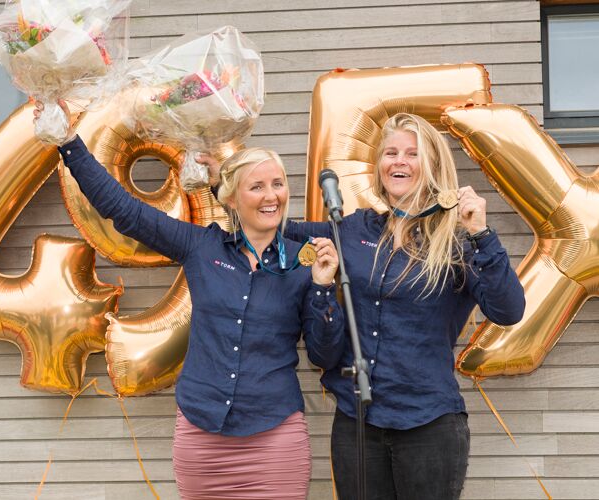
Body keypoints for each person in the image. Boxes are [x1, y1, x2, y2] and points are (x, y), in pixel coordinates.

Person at [203, 112, 526, 500]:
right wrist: (226, 184)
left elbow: (508, 310)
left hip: (428, 425)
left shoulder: (457, 241)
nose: (399, 161)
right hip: (358, 423)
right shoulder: (353, 229)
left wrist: (481, 233)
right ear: (379, 166)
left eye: (412, 153)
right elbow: (272, 224)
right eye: (390, 153)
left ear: (434, 166)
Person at [35, 100, 346, 500]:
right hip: (202, 437)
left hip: (274, 440)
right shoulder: (202, 247)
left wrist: (323, 287)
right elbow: (123, 210)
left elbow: (324, 354)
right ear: (231, 198)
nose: (272, 196)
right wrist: (68, 143)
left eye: (278, 184)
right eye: (257, 186)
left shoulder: (304, 264)